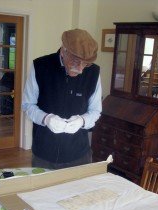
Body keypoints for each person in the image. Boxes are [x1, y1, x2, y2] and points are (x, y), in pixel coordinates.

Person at [22, 28, 102, 169]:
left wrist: (82, 121)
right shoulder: (40, 66)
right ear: (64, 50)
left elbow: (95, 111)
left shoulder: (94, 72)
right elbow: (28, 105)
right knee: (43, 190)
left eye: (86, 64)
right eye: (76, 61)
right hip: (44, 153)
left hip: (79, 154)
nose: (81, 69)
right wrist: (46, 119)